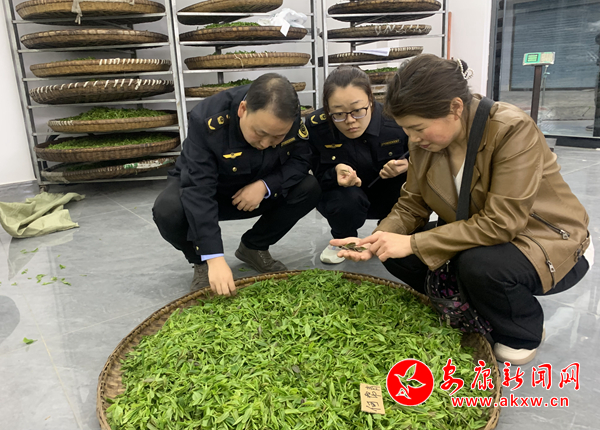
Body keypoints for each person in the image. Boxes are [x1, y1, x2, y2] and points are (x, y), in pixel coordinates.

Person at [333, 54, 592, 365]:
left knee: (478, 264)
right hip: (479, 234)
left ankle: (522, 329)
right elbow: (412, 204)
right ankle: (476, 305)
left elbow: (502, 222)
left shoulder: (511, 129)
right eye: (407, 130)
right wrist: (378, 238)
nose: (412, 139)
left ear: (455, 108)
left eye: (418, 128)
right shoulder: (424, 142)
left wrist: (414, 242)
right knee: (394, 252)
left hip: (546, 240)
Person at [153, 73, 320, 296]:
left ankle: (254, 246)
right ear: (243, 109)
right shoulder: (207, 119)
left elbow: (301, 159)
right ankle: (201, 262)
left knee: (309, 187)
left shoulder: (289, 113)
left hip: (255, 192)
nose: (265, 143)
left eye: (277, 137)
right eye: (260, 133)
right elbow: (198, 188)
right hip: (212, 190)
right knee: (168, 210)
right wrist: (213, 257)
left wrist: (265, 186)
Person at [306, 66, 409, 264]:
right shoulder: (317, 127)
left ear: (370, 99)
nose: (350, 121)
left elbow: (426, 158)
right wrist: (334, 173)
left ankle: (393, 234)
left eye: (357, 111)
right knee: (343, 199)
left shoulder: (395, 120)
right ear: (327, 109)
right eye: (338, 114)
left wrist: (408, 165)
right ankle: (343, 239)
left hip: (389, 195)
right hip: (347, 199)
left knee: (411, 187)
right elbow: (314, 176)